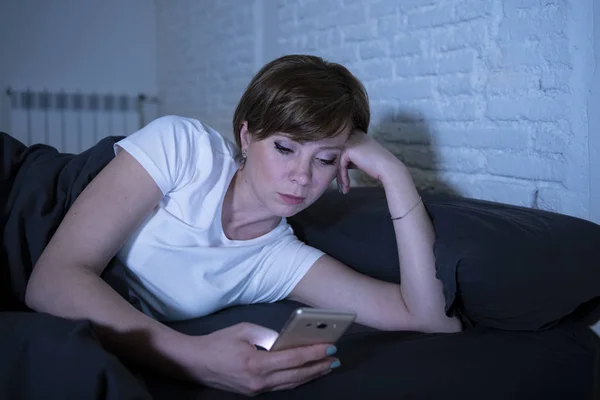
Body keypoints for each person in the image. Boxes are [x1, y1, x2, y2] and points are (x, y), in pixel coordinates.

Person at [24, 54, 461, 396]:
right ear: (246, 135)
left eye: (325, 158)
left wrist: (394, 176)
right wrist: (192, 357)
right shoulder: (184, 149)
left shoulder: (277, 261)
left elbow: (429, 319)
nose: (302, 177)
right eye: (286, 148)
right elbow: (51, 279)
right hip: (21, 204)